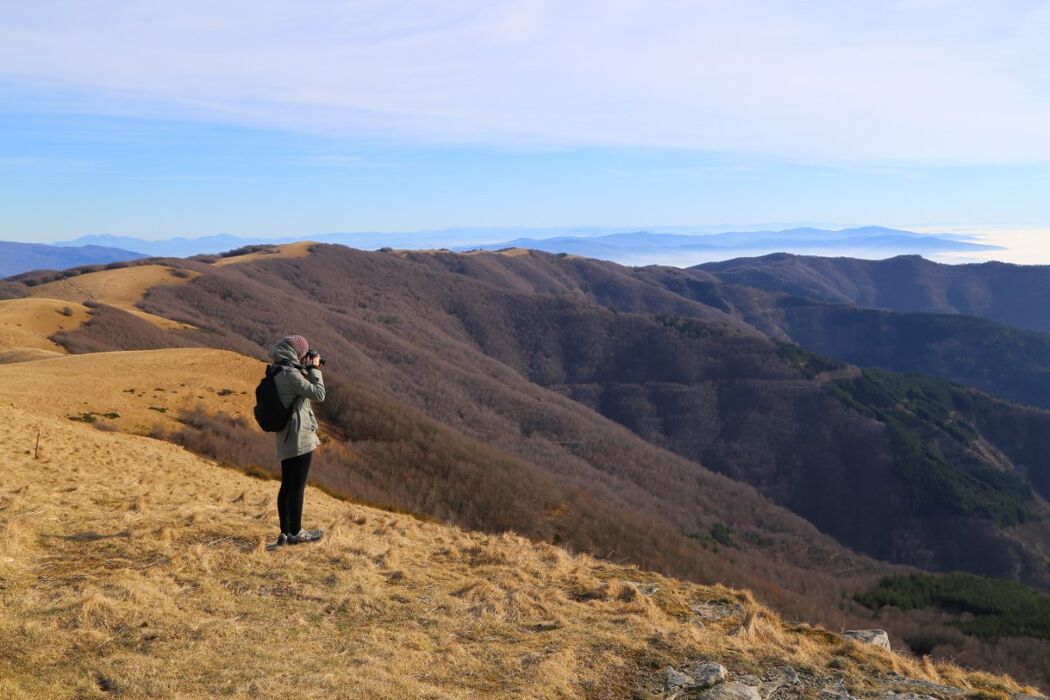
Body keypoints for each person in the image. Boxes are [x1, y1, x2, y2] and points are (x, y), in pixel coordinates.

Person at [268, 334, 326, 546]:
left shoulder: (277, 369)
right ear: (297, 352)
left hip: (285, 437)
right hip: (300, 437)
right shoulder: (291, 374)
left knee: (287, 486)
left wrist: (305, 369)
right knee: (297, 487)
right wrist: (315, 370)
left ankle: (285, 532)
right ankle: (296, 533)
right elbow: (318, 394)